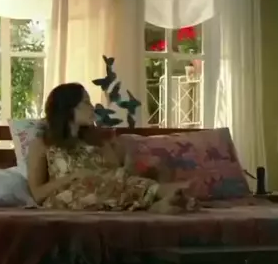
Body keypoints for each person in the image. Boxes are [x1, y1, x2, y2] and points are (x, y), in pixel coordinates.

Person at [27, 82, 198, 213]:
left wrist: (127, 164)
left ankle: (163, 201)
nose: (92, 108)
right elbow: (37, 194)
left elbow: (116, 173)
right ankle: (169, 197)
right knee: (99, 186)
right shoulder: (43, 144)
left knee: (119, 181)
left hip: (107, 188)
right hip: (71, 196)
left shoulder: (96, 141)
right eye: (86, 102)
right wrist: (74, 176)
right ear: (68, 109)